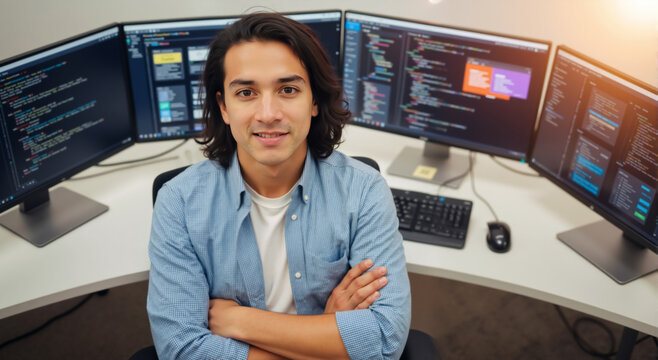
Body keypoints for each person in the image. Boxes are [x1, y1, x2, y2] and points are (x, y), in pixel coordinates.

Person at [147, 12, 411, 360]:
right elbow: (182, 351)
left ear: (314, 101)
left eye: (288, 89)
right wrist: (328, 337)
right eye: (246, 92)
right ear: (224, 107)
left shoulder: (362, 190)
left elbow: (384, 340)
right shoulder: (179, 203)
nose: (268, 113)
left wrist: (240, 321)